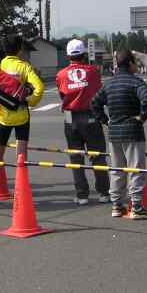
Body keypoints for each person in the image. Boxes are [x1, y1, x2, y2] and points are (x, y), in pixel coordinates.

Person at [91, 49, 147, 219]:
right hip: (133, 131)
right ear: (130, 64)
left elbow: (95, 103)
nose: (136, 65)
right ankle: (137, 206)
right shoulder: (136, 83)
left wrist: (105, 120)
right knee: (135, 169)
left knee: (117, 170)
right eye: (135, 62)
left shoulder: (109, 84)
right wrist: (142, 117)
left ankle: (116, 205)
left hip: (114, 133)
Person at [0, 34, 45, 203]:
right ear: (20, 49)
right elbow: (39, 88)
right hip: (22, 117)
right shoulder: (25, 67)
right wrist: (29, 101)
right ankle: (21, 194)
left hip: (3, 117)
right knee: (21, 157)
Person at [57, 39, 110, 206]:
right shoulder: (93, 71)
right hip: (91, 116)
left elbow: (62, 95)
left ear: (68, 56)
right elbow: (99, 92)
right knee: (98, 156)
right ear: (84, 54)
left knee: (76, 158)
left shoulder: (61, 74)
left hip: (70, 117)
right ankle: (103, 193)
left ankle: (82, 195)